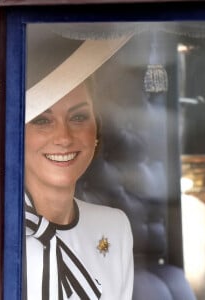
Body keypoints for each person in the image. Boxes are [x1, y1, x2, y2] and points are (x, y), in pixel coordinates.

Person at [24, 24, 134, 300]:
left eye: (78, 117)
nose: (63, 137)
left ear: (96, 129)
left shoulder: (115, 228)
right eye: (42, 120)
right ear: (16, 134)